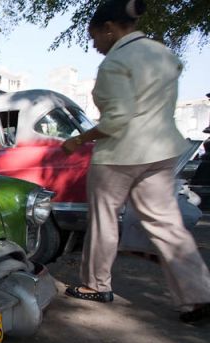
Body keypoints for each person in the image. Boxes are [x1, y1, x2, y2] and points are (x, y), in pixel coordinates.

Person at [60, 0, 210, 323]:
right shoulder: (163, 54)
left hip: (120, 154)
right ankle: (198, 295)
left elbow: (116, 120)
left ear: (109, 29)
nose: (94, 45)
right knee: (167, 225)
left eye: (94, 36)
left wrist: (78, 140)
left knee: (104, 219)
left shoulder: (114, 63)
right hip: (161, 150)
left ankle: (96, 285)